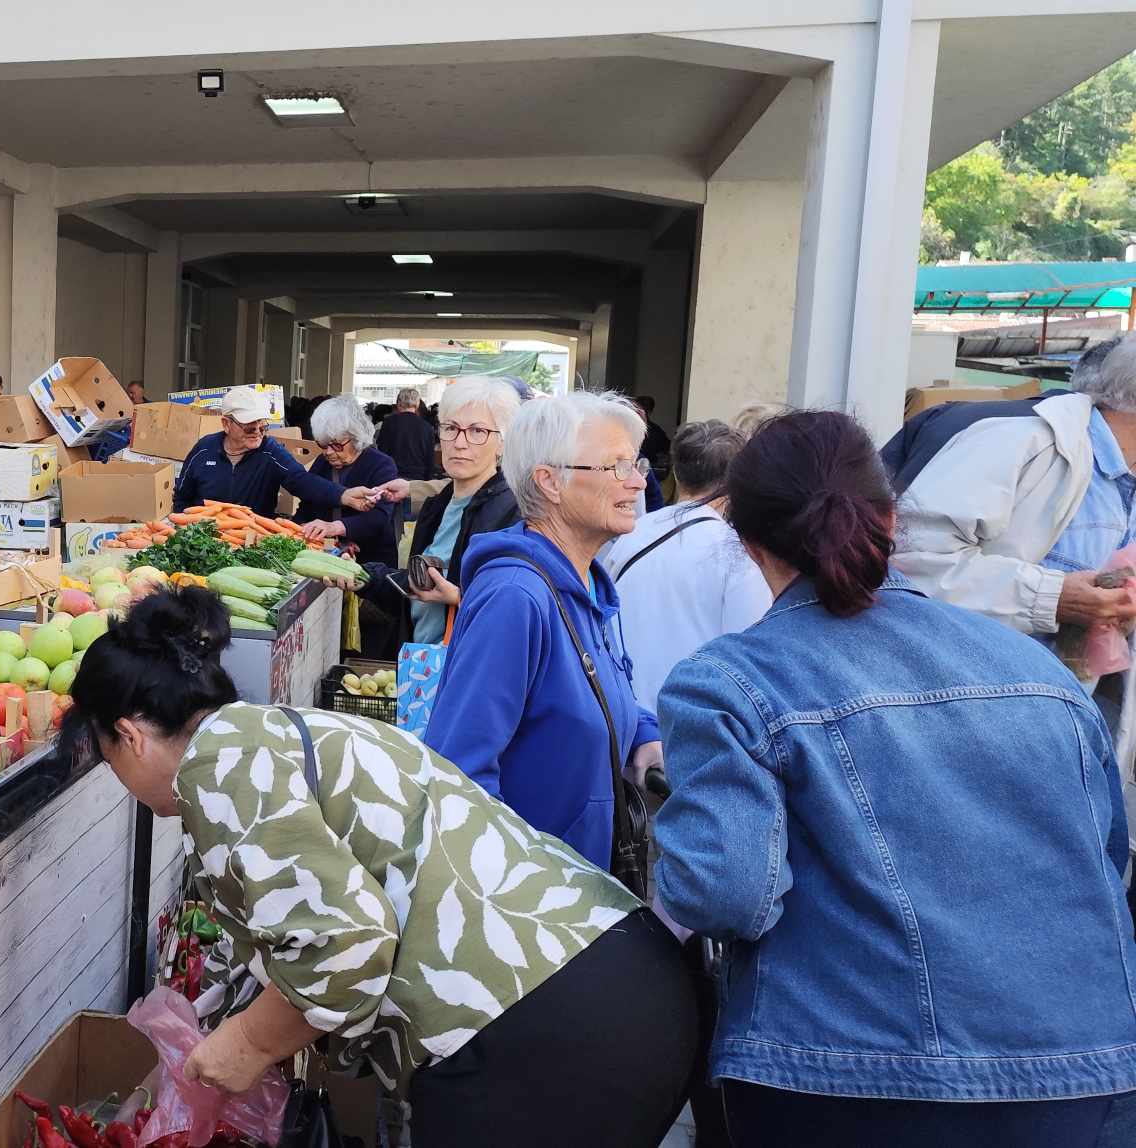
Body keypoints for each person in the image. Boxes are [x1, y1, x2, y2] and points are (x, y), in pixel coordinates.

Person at [61, 587, 699, 1145]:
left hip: (539, 1027)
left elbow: (347, 942)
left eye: (113, 763)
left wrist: (249, 1044)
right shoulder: (269, 735)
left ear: (130, 736)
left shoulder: (218, 766)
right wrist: (184, 1065)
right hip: (620, 978)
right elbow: (280, 946)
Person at [655, 410, 1136, 1147]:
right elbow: (1102, 860)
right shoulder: (1039, 672)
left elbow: (724, 894)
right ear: (890, 517)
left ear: (745, 542)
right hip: (1086, 1064)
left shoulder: (730, 680)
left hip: (842, 1069)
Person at [893, 335, 1136, 872]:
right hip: (975, 736)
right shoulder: (1022, 445)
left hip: (1078, 740)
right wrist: (1054, 597)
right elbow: (909, 564)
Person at [422, 391, 660, 870]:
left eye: (636, 465)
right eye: (616, 466)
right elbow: (458, 772)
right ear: (549, 481)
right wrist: (520, 886)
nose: (637, 482)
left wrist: (642, 734)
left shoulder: (585, 582)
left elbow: (582, 695)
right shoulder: (515, 597)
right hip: (535, 898)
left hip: (581, 885)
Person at [602, 419, 771, 709]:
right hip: (689, 716)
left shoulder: (632, 533)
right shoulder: (735, 552)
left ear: (677, 473)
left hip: (622, 710)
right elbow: (750, 656)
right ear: (734, 480)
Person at [359, 376, 522, 649]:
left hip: (466, 665)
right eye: (451, 428)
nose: (460, 442)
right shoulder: (437, 506)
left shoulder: (512, 515)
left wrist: (458, 597)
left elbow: (520, 610)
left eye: (477, 431)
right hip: (422, 663)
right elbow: (419, 592)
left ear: (503, 443)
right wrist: (363, 577)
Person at [171, 386, 403, 518]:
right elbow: (181, 496)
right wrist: (186, 524)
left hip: (251, 542)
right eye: (250, 427)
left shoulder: (270, 451)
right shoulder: (204, 450)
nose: (258, 433)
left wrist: (343, 495)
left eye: (262, 425)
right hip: (202, 539)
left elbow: (301, 480)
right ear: (226, 424)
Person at [293, 397, 401, 568]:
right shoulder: (321, 463)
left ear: (356, 437)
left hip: (371, 561)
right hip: (328, 557)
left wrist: (334, 527)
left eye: (336, 445)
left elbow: (380, 517)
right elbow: (307, 505)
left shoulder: (381, 464)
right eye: (323, 445)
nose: (328, 452)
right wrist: (297, 528)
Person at [375, 385, 439, 480]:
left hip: (392, 475)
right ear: (417, 404)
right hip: (417, 478)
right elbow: (430, 458)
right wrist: (428, 480)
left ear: (399, 403)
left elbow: (382, 451)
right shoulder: (427, 427)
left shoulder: (389, 423)